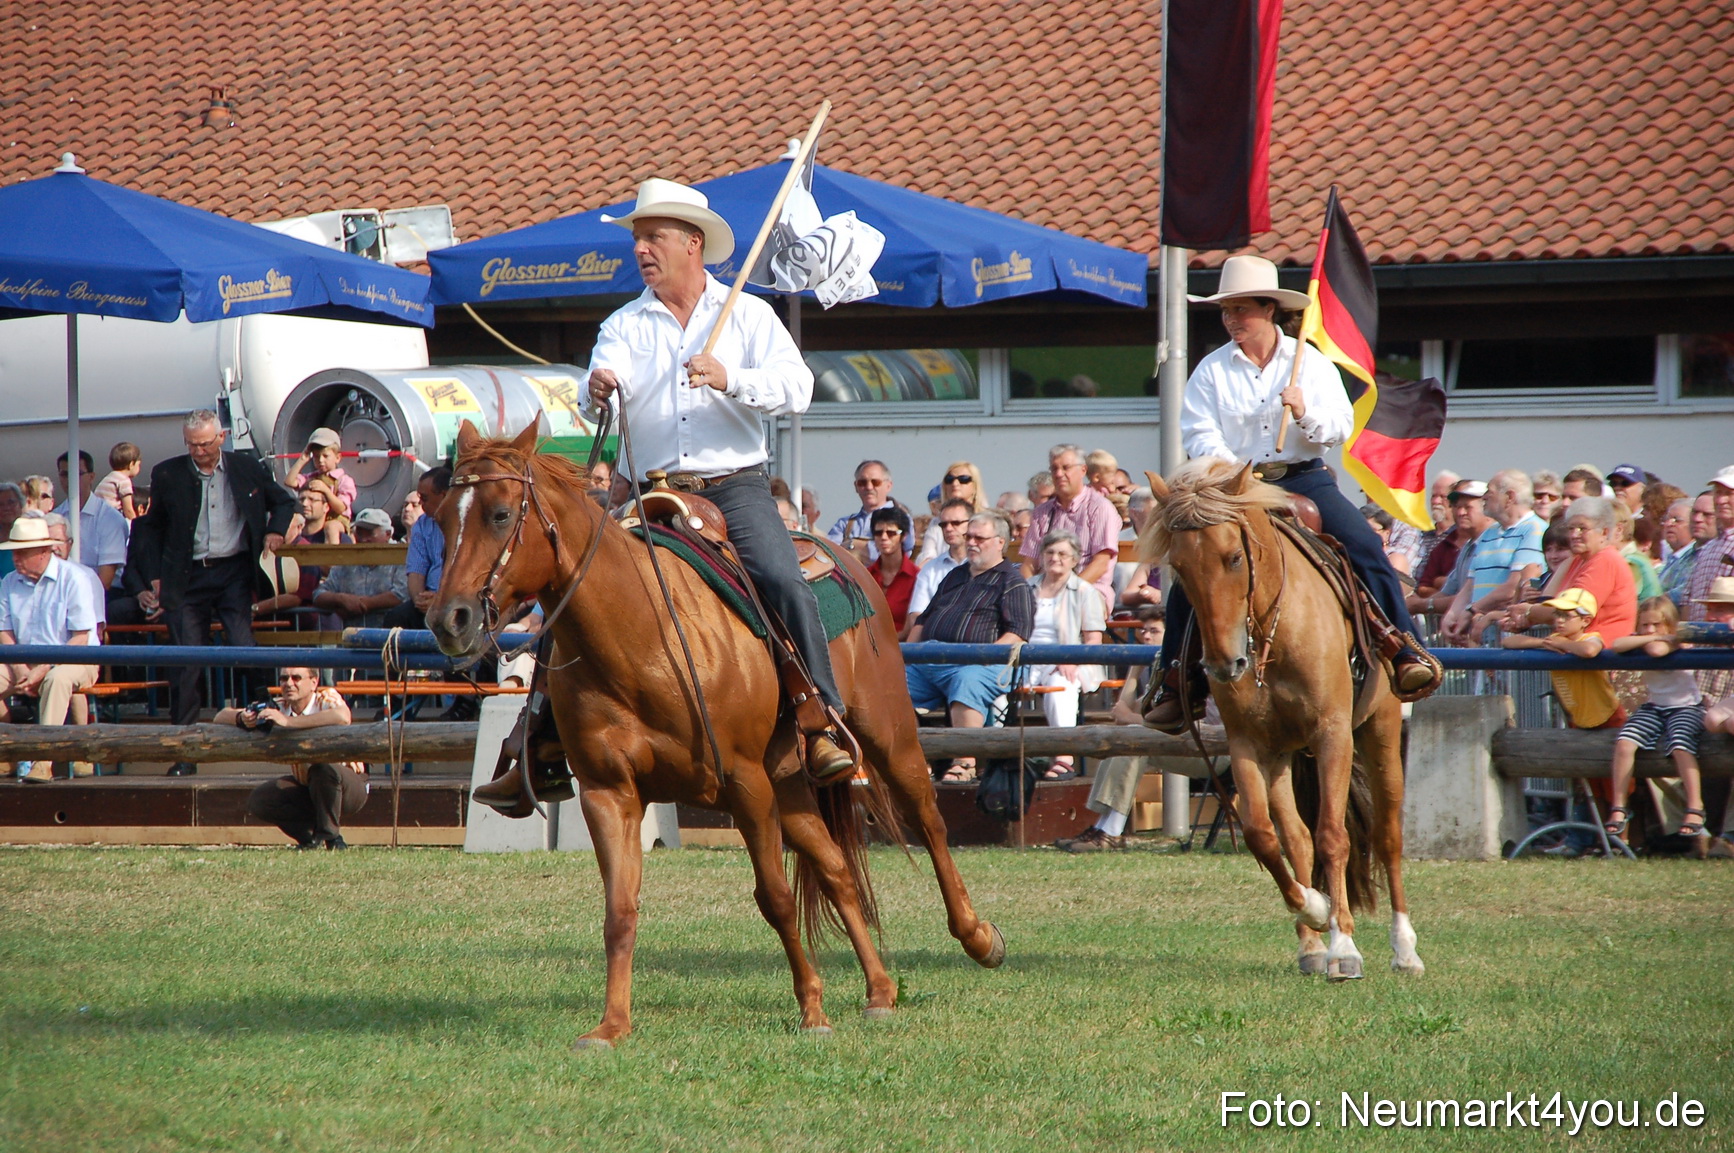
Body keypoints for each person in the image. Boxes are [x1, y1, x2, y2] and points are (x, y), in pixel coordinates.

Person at [580, 177, 853, 780]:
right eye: (637, 239)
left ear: (692, 243)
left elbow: (799, 388)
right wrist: (596, 388)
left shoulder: (750, 314)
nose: (640, 249)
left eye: (653, 237)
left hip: (735, 487)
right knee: (580, 583)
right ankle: (538, 736)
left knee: (782, 580)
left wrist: (732, 378)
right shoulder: (624, 324)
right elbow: (598, 384)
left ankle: (820, 721)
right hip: (651, 489)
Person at [1146, 254, 1437, 730]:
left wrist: (1303, 412)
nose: (1231, 319)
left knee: (1364, 546)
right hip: (1233, 486)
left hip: (1303, 477)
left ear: (1269, 309)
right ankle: (1179, 681)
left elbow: (1339, 427)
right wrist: (1233, 474)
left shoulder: (1311, 363)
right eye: (1226, 310)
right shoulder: (1211, 370)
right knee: (1193, 568)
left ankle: (1401, 647)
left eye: (1241, 309)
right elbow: (1199, 432)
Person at [125, 409, 298, 770]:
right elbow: (149, 528)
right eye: (192, 445)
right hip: (186, 576)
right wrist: (154, 575)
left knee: (243, 645)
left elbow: (284, 501)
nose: (199, 451)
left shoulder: (246, 467)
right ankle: (184, 750)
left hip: (233, 570)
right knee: (187, 662)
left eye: (205, 444)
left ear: (221, 437)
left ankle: (264, 712)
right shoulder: (167, 473)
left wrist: (275, 531)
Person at [905, 510, 1035, 782]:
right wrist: (906, 656)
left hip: (983, 662)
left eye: (980, 538)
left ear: (1000, 542)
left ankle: (964, 763)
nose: (971, 543)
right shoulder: (955, 575)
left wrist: (982, 657)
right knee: (891, 685)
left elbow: (1018, 634)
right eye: (969, 537)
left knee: (967, 681)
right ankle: (914, 761)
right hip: (932, 657)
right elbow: (924, 619)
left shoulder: (1012, 582)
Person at [1595, 597, 1707, 842]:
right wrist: (1648, 638)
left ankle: (1695, 806)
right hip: (1656, 706)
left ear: (1671, 624)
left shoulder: (1678, 640)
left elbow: (1658, 651)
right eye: (1645, 625)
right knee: (1625, 742)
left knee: (1680, 745)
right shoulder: (1649, 640)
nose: (1650, 630)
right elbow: (1617, 644)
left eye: (1657, 625)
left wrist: (1653, 640)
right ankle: (1619, 806)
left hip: (1686, 706)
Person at [1056, 606, 1164, 852]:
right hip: (1168, 743)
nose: (1146, 636)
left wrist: (1131, 718)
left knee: (1133, 742)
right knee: (1122, 739)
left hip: (1206, 748)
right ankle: (1102, 827)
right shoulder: (1155, 669)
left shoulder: (1183, 670)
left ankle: (1111, 833)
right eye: (1144, 631)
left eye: (1154, 631)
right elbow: (1121, 715)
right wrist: (1135, 670)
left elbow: (1182, 725)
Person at [220, 669, 366, 850]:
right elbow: (221, 715)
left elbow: (343, 716)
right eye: (284, 678)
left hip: (348, 787)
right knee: (261, 799)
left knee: (323, 770)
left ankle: (331, 838)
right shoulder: (278, 706)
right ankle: (309, 839)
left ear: (314, 682)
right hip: (308, 786)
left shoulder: (326, 697)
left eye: (296, 678)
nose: (289, 683)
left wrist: (288, 722)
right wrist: (242, 718)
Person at [0, 515, 98, 782]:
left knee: (56, 679)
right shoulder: (9, 582)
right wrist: (21, 668)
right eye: (14, 552)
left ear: (44, 552)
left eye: (22, 552)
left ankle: (43, 761)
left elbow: (81, 637)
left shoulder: (74, 578)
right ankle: (6, 753)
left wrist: (43, 668)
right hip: (23, 659)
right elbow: (4, 632)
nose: (15, 558)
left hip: (76, 658)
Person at [1022, 528, 1105, 779]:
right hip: (1026, 657)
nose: (1055, 558)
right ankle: (993, 759)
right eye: (1049, 552)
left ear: (1075, 559)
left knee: (1061, 686)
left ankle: (1063, 758)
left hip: (1069, 659)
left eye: (1062, 553)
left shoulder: (1085, 591)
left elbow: (1093, 640)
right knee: (996, 687)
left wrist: (1072, 659)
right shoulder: (1026, 587)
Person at [1438, 469, 1545, 645]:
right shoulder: (1488, 533)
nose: (1485, 497)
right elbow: (1471, 584)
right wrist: (1451, 615)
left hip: (1509, 637)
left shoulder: (1534, 529)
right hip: (1481, 636)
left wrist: (1471, 611)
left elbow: (1513, 587)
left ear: (1510, 497)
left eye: (1490, 492)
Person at [1501, 588, 1623, 729]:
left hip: (1607, 715)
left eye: (1566, 616)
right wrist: (1542, 643)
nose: (1559, 620)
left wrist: (1564, 644)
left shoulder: (1591, 638)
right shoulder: (1555, 639)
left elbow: (1589, 650)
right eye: (1557, 614)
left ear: (1585, 621)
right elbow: (1508, 642)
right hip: (1577, 716)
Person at [1019, 443, 1120, 611]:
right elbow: (1029, 564)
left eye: (1066, 468)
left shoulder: (1100, 508)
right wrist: (1030, 594)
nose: (1059, 474)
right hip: (1045, 593)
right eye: (1054, 469)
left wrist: (1066, 594)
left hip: (1089, 590)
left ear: (1083, 470)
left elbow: (1101, 563)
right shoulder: (1041, 513)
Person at [311, 508, 408, 628]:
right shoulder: (346, 562)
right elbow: (318, 594)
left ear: (388, 534)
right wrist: (341, 599)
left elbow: (402, 594)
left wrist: (364, 604)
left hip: (392, 634)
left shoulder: (400, 558)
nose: (363, 539)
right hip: (353, 636)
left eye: (370, 533)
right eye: (359, 533)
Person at [55, 449, 129, 590]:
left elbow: (105, 581)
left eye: (77, 473)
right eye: (64, 474)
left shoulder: (110, 519)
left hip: (104, 594)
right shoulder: (56, 517)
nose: (70, 479)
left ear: (91, 477)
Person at [908, 497, 972, 628]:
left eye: (956, 523)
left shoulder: (984, 566)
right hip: (934, 637)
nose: (948, 528)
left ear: (971, 524)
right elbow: (915, 615)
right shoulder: (930, 569)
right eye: (944, 524)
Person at [916, 461, 986, 563]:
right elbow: (927, 556)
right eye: (949, 479)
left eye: (963, 479)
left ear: (975, 486)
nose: (955, 483)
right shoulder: (937, 523)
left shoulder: (988, 520)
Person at [828, 459, 899, 559]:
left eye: (875, 482)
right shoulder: (844, 524)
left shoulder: (901, 519)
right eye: (862, 482)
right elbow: (828, 554)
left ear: (888, 486)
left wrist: (854, 545)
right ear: (856, 487)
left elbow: (899, 556)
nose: (869, 487)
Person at [867, 505, 920, 636]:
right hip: (867, 644)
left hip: (902, 645)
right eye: (878, 533)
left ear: (904, 536)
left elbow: (911, 626)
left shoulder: (917, 577)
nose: (884, 537)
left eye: (891, 533)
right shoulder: (865, 576)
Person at [283, 427, 358, 514]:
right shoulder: (312, 478)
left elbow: (341, 508)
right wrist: (302, 460)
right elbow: (289, 482)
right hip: (316, 518)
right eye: (316, 456)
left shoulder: (344, 480)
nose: (321, 460)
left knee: (333, 524)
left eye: (325, 456)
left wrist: (325, 490)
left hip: (337, 519)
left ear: (337, 458)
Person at [1658, 495, 1705, 607]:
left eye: (1677, 520)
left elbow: (1684, 592)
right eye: (1666, 519)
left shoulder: (1698, 557)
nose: (1669, 524)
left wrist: (1655, 602)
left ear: (1693, 524)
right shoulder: (1674, 558)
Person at [94, 442, 142, 520]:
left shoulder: (109, 478)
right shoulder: (124, 480)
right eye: (138, 465)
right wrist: (135, 523)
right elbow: (128, 510)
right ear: (131, 464)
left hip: (99, 516)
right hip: (111, 517)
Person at [0, 482, 25, 579]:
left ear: (21, 505)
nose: (6, 508)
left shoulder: (29, 533)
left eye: (11, 502)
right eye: (0, 504)